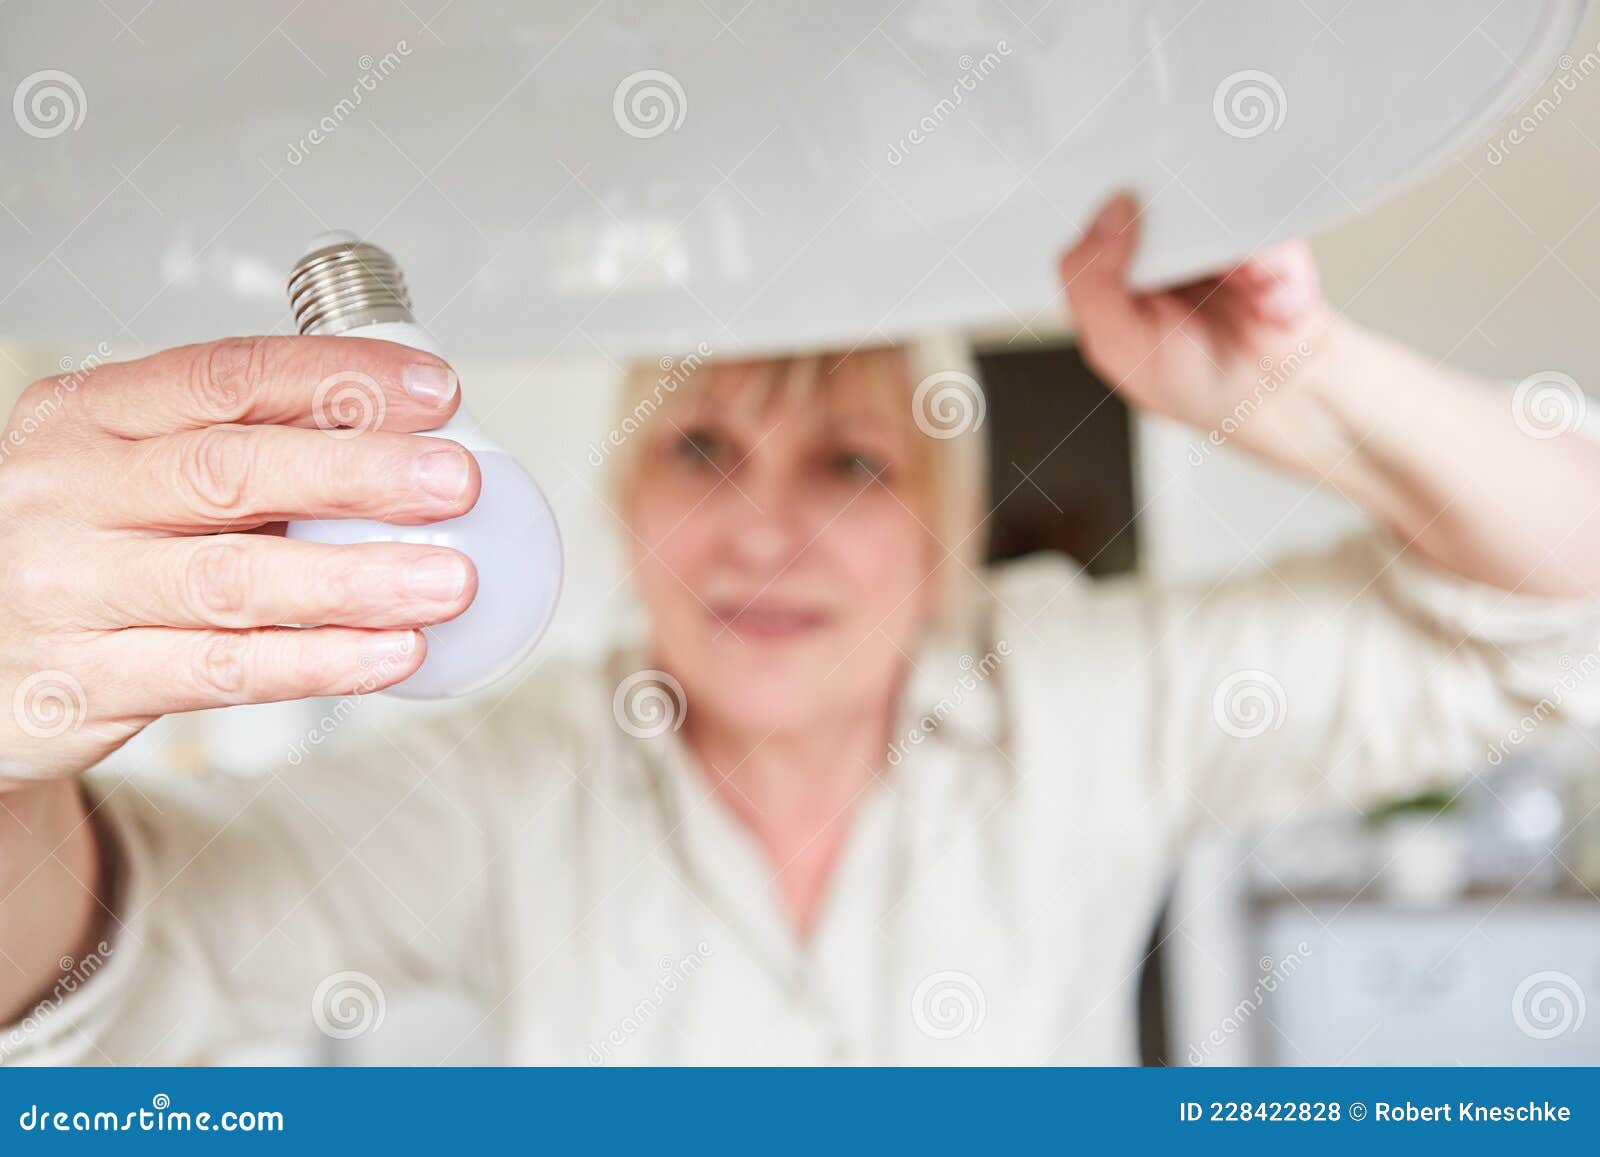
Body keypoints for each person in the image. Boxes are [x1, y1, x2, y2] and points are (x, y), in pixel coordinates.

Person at [2, 198, 1597, 1064]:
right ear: (622, 505)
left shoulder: (1086, 699)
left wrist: (1300, 391)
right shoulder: (517, 779)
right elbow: (122, 966)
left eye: (848, 462)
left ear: (939, 531)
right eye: (703, 449)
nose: (764, 528)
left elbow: (1560, 604)